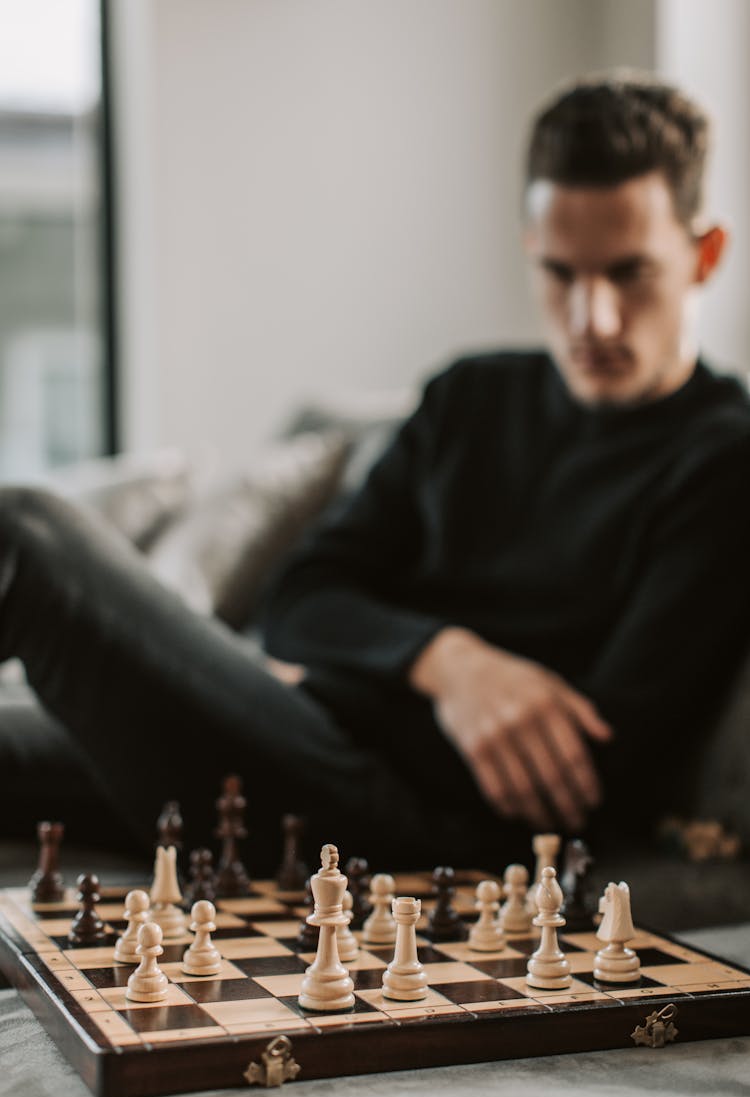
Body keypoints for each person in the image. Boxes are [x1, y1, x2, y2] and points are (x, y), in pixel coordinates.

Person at [1, 73, 749, 871]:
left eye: (629, 272)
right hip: (293, 736)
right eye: (561, 274)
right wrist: (450, 663)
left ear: (704, 256)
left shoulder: (722, 459)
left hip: (410, 816)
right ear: (532, 247)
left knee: (28, 538)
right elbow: (300, 594)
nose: (590, 317)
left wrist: (361, 662)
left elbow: (596, 764)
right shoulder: (470, 394)